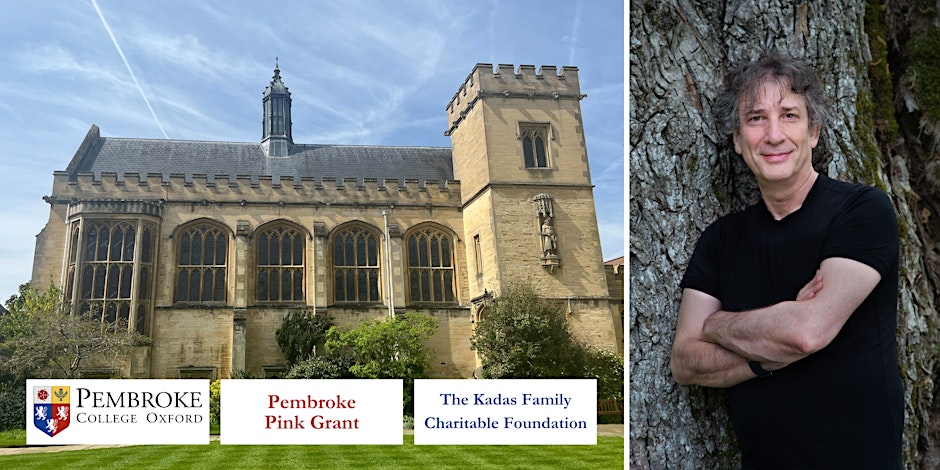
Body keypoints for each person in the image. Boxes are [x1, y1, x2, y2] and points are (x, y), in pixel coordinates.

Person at [669, 52, 903, 469]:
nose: (774, 135)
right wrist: (769, 345)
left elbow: (806, 334)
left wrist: (718, 325)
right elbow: (686, 361)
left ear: (813, 132)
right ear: (739, 141)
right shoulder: (720, 240)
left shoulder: (862, 211)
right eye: (756, 118)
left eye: (789, 116)